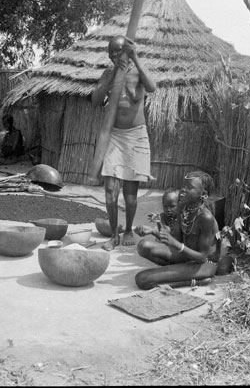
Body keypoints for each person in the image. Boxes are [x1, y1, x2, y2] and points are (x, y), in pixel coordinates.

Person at [91, 35, 157, 251]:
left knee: (130, 194)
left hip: (136, 135)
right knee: (110, 191)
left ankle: (128, 229)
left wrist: (136, 58)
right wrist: (111, 80)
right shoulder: (108, 73)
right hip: (115, 135)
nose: (113, 56)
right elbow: (95, 100)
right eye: (110, 53)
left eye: (118, 52)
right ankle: (113, 235)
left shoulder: (138, 69)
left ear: (127, 51)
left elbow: (152, 87)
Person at [135, 171, 222, 290]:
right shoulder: (183, 207)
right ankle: (179, 272)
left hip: (203, 265)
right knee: (143, 246)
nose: (183, 190)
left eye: (190, 187)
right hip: (186, 256)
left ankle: (191, 280)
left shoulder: (206, 218)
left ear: (203, 194)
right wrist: (154, 230)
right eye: (184, 185)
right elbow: (174, 238)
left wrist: (175, 244)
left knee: (142, 279)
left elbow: (202, 257)